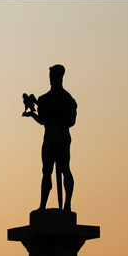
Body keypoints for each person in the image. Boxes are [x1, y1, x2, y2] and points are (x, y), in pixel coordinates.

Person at [24, 64, 77, 211]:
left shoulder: (45, 99)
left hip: (51, 136)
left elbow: (43, 121)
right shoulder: (69, 99)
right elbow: (72, 122)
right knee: (65, 169)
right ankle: (67, 204)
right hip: (64, 135)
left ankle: (44, 206)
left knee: (48, 171)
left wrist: (33, 114)